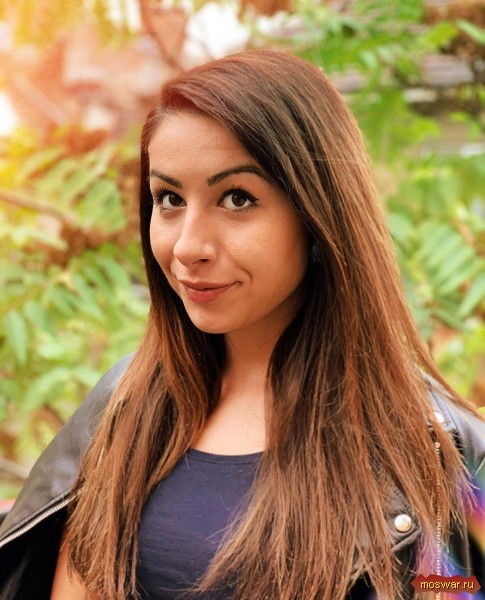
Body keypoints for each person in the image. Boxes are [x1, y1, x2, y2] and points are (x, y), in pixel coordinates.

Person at [0, 50, 483, 600]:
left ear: (319, 215)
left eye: (236, 199)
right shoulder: (122, 406)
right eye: (169, 199)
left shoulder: (438, 451)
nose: (188, 246)